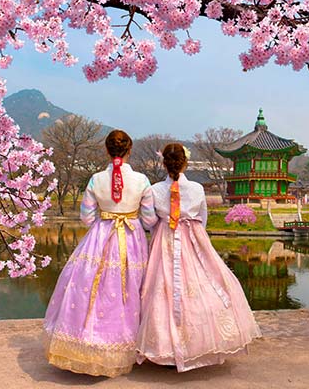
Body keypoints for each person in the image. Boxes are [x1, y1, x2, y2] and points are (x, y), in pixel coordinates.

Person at [136, 143, 261, 372]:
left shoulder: (154, 190)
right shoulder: (196, 189)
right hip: (193, 237)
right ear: (186, 163)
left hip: (165, 238)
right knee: (201, 285)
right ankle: (196, 344)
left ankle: (165, 349)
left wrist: (162, 228)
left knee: (161, 289)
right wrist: (195, 235)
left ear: (163, 163)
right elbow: (202, 218)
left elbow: (150, 222)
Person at [43, 130, 157, 377]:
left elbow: (85, 217)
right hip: (130, 239)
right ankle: (125, 346)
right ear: (129, 151)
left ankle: (87, 343)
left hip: (100, 237)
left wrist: (105, 217)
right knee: (128, 291)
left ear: (107, 151)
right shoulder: (142, 181)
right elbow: (149, 219)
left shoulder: (96, 179)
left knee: (92, 289)